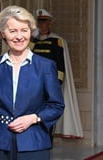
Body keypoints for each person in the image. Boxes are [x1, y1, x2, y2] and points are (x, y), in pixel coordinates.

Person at [0, 5, 65, 160]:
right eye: (13, 31)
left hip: (34, 143)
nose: (19, 36)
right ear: (2, 33)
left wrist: (33, 118)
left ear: (31, 32)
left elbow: (56, 106)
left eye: (24, 30)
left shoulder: (45, 66)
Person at [31, 9, 83, 139]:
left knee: (48, 112)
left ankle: (47, 137)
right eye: (38, 21)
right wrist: (33, 38)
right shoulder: (32, 41)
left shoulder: (57, 41)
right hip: (32, 83)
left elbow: (60, 64)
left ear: (49, 23)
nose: (40, 24)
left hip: (49, 83)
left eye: (43, 21)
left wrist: (57, 83)